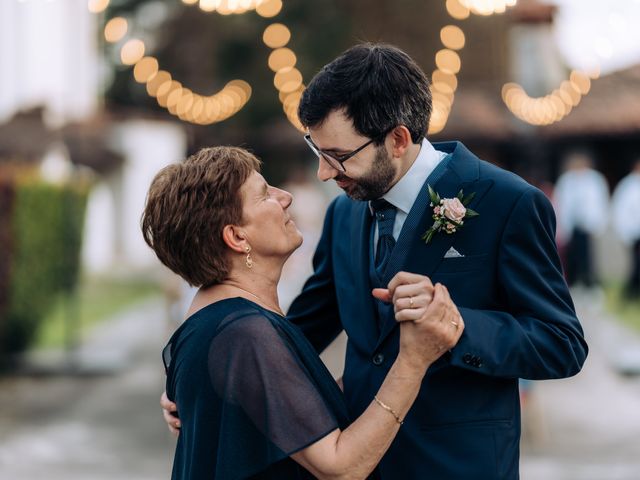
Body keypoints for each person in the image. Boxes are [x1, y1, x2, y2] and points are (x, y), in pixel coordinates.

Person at [163, 44, 588, 479]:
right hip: (357, 460)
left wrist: (458, 326)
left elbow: (562, 343)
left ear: (398, 139)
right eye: (318, 152)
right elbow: (300, 329)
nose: (325, 174)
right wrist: (211, 382)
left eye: (339, 157)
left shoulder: (508, 202)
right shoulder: (343, 213)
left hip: (458, 465)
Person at [143, 146, 463, 479]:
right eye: (265, 194)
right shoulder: (244, 335)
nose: (286, 197)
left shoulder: (218, 321)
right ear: (237, 237)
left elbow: (289, 411)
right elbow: (342, 469)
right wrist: (413, 362)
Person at [553, 150, 609, 287]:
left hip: (588, 225)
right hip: (572, 225)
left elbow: (600, 201)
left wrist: (598, 222)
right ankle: (572, 282)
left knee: (588, 256)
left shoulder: (595, 180)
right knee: (572, 256)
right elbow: (561, 203)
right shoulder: (567, 180)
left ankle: (589, 282)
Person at [612, 158, 640, 299]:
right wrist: (624, 232)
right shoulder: (627, 186)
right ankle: (631, 293)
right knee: (636, 263)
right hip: (634, 232)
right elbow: (621, 210)